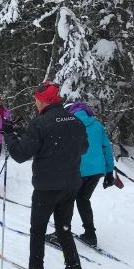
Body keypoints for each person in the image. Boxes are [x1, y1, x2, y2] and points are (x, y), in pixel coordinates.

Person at [4, 82, 88, 269]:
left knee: (38, 230)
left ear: (44, 100)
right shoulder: (75, 120)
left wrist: (10, 135)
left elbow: (20, 154)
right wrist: (28, 134)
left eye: (36, 99)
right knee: (64, 230)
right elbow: (83, 147)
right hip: (70, 185)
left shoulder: (40, 122)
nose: (35, 103)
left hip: (47, 187)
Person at [46, 102, 114, 247]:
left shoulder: (69, 124)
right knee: (83, 199)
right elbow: (107, 148)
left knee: (66, 200)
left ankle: (60, 235)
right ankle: (90, 234)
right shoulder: (97, 125)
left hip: (76, 169)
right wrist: (109, 172)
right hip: (96, 171)